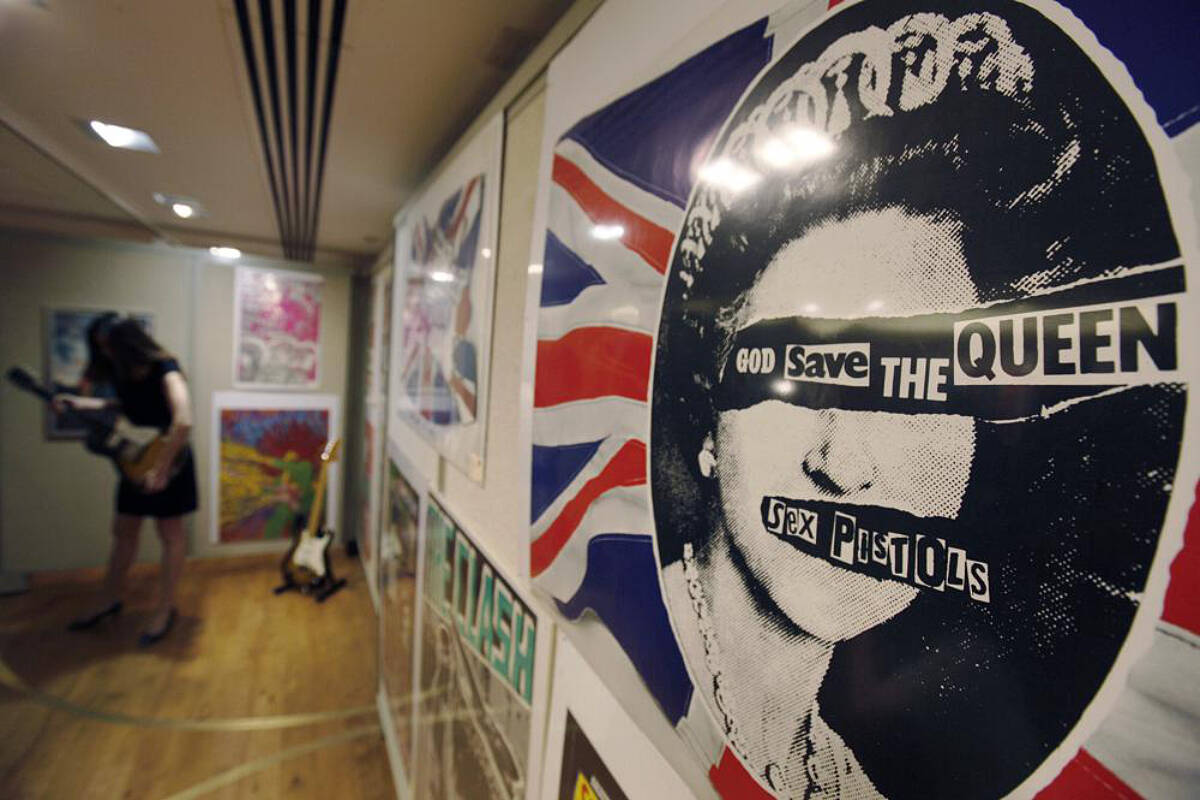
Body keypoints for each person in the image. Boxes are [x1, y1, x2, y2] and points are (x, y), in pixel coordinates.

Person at [650, 2, 1187, 798]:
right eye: (795, 373)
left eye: (920, 386)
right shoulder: (653, 679)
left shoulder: (845, 784)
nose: (845, 462)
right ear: (709, 427)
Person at [53, 314, 197, 646]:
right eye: (101, 349)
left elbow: (184, 420)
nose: (105, 354)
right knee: (123, 530)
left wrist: (161, 469)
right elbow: (121, 405)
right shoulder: (119, 371)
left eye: (109, 347)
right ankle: (109, 599)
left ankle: (165, 609)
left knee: (170, 534)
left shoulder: (165, 366)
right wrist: (79, 402)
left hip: (169, 461)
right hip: (134, 461)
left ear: (128, 343)